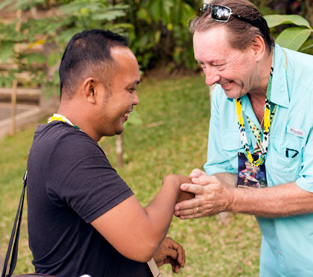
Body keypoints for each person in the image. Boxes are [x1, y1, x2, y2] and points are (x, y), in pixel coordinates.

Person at [174, 0, 313, 276]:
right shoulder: (227, 95)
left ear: (256, 47)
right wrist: (206, 188)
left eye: (217, 64)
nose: (210, 79)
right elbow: (233, 173)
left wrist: (228, 200)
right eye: (202, 65)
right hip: (280, 263)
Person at [27, 29, 193, 277]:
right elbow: (142, 241)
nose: (136, 100)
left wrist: (142, 262)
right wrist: (173, 185)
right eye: (130, 89)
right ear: (91, 90)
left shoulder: (54, 140)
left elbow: (78, 247)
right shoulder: (70, 149)